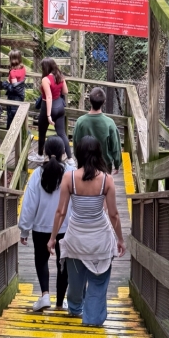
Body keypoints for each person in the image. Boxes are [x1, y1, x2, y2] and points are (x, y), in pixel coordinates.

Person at [48, 136, 125, 327]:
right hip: (100, 240)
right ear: (99, 154)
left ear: (79, 154)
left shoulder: (69, 177)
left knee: (75, 282)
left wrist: (52, 239)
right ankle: (92, 320)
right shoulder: (107, 180)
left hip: (75, 239)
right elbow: (114, 214)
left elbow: (61, 212)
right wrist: (120, 239)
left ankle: (74, 309)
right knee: (98, 284)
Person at [19, 136, 74, 311]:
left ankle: (44, 295)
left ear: (45, 152)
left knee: (41, 260)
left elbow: (29, 203)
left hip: (41, 226)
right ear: (63, 153)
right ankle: (60, 302)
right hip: (65, 227)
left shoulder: (37, 174)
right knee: (63, 263)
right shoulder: (71, 172)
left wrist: (24, 230)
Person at [72, 86, 122, 174]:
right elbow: (115, 146)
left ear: (89, 100)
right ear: (104, 102)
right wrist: (117, 163)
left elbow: (76, 143)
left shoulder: (80, 122)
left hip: (84, 165)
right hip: (104, 166)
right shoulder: (109, 123)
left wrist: (79, 160)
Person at [36, 57, 71, 162]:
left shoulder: (45, 79)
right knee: (62, 133)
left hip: (48, 107)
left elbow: (48, 97)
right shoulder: (60, 76)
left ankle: (40, 155)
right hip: (60, 106)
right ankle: (70, 159)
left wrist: (48, 115)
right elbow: (65, 91)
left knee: (42, 132)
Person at [1, 49, 27, 129]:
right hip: (21, 96)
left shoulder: (13, 72)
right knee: (18, 118)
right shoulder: (23, 68)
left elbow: (15, 87)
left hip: (13, 98)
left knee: (11, 120)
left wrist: (5, 84)